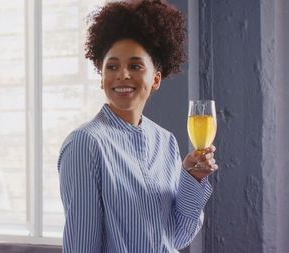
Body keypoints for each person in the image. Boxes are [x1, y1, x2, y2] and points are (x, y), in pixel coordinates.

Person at [57, 1, 219, 252]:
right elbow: (82, 246)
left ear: (155, 79)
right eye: (112, 66)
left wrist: (192, 180)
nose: (122, 74)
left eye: (135, 66)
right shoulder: (85, 144)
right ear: (102, 79)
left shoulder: (166, 141)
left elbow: (177, 236)